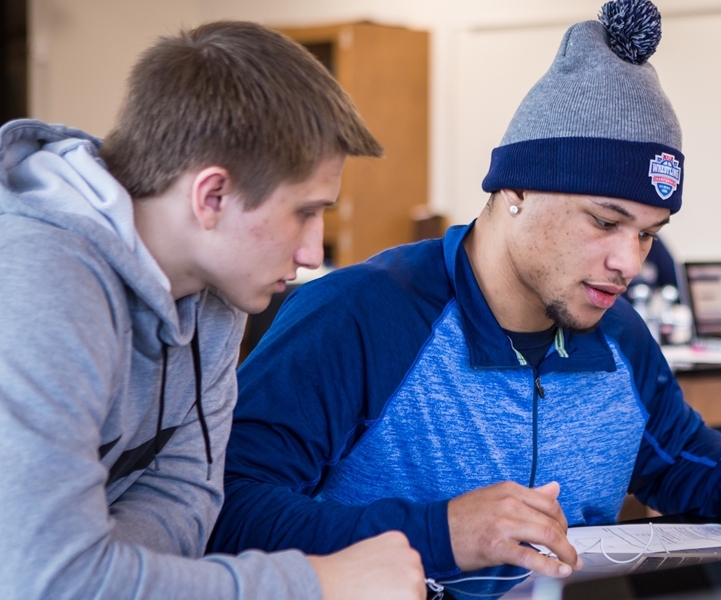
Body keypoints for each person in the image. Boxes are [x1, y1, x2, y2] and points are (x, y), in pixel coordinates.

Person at [209, 1, 721, 596]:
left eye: (648, 234)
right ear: (515, 189)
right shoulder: (360, 315)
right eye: (604, 222)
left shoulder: (618, 332)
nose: (629, 262)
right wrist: (442, 533)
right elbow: (230, 507)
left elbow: (677, 459)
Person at [0, 22, 425, 600]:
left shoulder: (214, 292)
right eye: (305, 211)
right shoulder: (37, 278)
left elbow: (186, 498)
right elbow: (50, 582)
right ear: (213, 196)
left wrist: (100, 565)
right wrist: (317, 583)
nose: (311, 252)